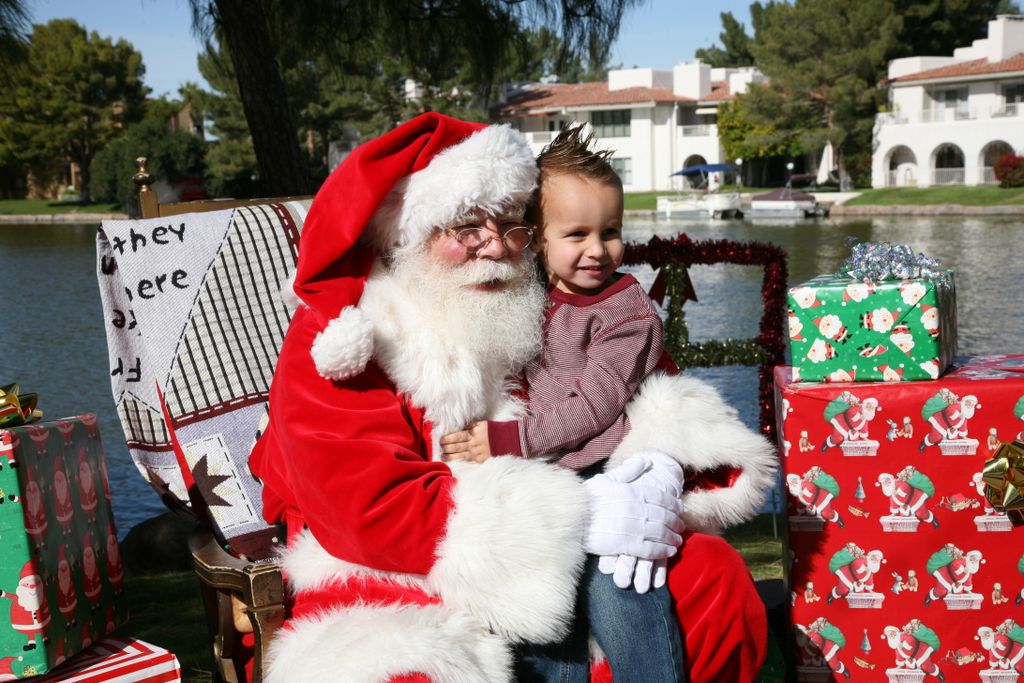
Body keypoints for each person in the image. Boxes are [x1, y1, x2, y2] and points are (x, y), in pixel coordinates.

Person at [249, 112, 775, 682]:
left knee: (710, 577)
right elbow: (366, 505)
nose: (496, 247)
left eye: (510, 224)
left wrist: (658, 468)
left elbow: (645, 387)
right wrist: (579, 516)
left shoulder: (540, 297)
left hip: (557, 542)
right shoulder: (346, 332)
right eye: (467, 229)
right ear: (409, 232)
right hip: (396, 569)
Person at [438, 124, 683, 682]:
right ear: (538, 238)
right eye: (577, 234)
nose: (599, 250)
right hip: (544, 475)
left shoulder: (626, 313)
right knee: (545, 603)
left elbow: (594, 404)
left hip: (602, 469)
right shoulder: (533, 296)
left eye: (611, 231)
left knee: (619, 591)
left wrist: (509, 440)